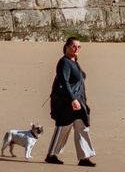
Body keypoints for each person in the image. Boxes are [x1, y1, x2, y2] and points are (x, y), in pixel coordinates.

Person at [47, 35, 94, 165]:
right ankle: (51, 155)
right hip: (67, 102)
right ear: (67, 47)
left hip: (79, 101)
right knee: (63, 127)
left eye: (79, 46)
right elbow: (64, 82)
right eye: (73, 46)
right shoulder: (64, 62)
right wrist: (73, 99)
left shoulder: (74, 61)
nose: (76, 48)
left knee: (82, 127)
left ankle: (84, 158)